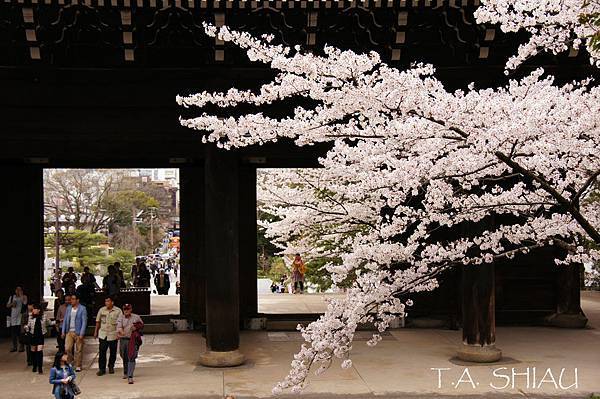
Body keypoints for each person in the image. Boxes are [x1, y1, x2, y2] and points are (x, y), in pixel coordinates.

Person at [94, 296, 122, 376]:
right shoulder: (102, 310)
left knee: (113, 352)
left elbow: (120, 323)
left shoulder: (118, 311)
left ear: (112, 302)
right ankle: (101, 369)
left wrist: (119, 333)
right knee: (102, 352)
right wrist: (95, 332)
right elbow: (98, 321)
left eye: (108, 301)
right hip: (103, 334)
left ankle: (111, 366)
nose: (106, 303)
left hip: (113, 334)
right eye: (105, 301)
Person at [117, 304, 143, 384]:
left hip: (132, 340)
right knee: (124, 355)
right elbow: (119, 328)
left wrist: (136, 327)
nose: (126, 311)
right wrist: (122, 332)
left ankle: (130, 376)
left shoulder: (136, 317)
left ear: (131, 309)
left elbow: (142, 325)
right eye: (125, 309)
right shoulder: (120, 317)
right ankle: (126, 372)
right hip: (123, 339)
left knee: (131, 356)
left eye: (128, 309)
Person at [61, 293, 87, 372]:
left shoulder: (82, 309)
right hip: (69, 331)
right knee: (67, 348)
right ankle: (71, 361)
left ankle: (78, 365)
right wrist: (63, 331)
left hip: (78, 332)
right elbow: (65, 320)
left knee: (78, 349)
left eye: (73, 299)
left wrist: (82, 333)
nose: (71, 301)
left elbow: (84, 321)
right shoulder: (69, 308)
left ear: (77, 300)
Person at [25, 303, 47, 374]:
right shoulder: (30, 316)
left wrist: (57, 322)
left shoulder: (44, 316)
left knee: (39, 352)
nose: (33, 310)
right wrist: (26, 328)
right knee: (33, 352)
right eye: (33, 309)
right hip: (32, 336)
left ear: (39, 310)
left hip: (40, 336)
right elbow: (28, 325)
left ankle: (40, 368)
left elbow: (49, 322)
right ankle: (34, 366)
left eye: (35, 309)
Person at [6, 285, 28, 352]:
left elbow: (25, 303)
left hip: (21, 317)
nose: (18, 291)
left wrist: (21, 296)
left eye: (19, 290)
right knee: (13, 333)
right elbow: (7, 305)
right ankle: (14, 346)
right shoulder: (12, 297)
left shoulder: (24, 297)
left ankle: (21, 346)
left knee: (21, 333)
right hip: (13, 317)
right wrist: (12, 304)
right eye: (17, 289)